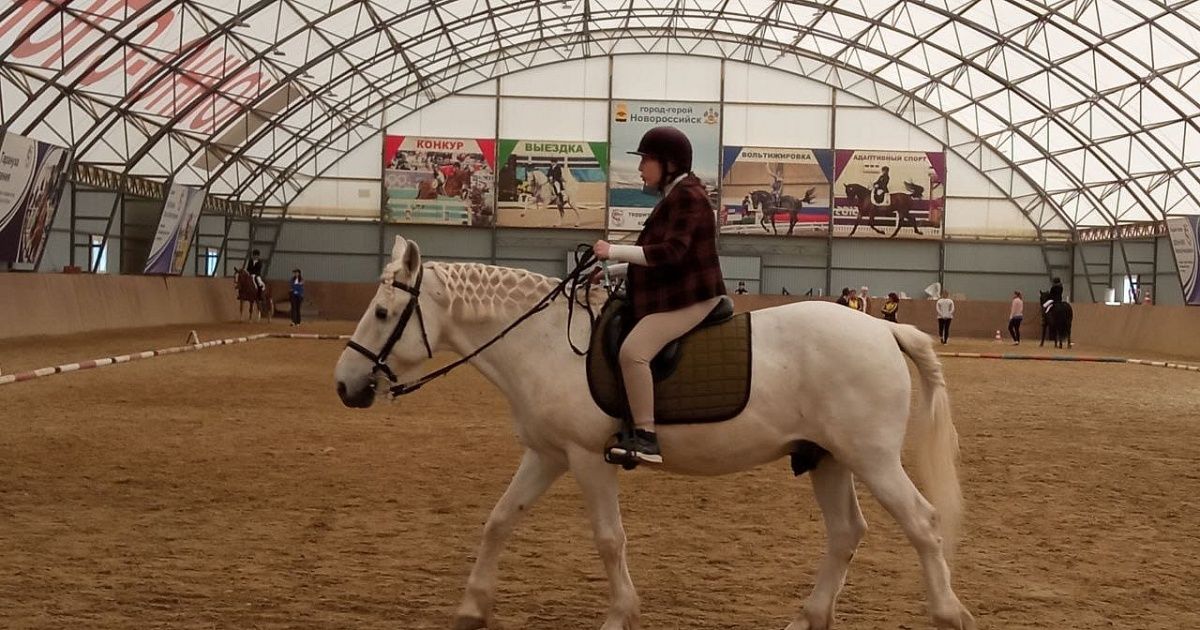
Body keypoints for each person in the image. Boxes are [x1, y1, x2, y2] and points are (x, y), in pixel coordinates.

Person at [592, 126, 726, 465]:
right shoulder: (675, 195)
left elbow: (671, 252)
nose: (640, 168)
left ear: (669, 164)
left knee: (633, 353)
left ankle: (646, 436)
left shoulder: (689, 197)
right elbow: (656, 258)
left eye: (646, 160)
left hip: (694, 298)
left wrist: (613, 250)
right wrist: (611, 270)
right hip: (678, 291)